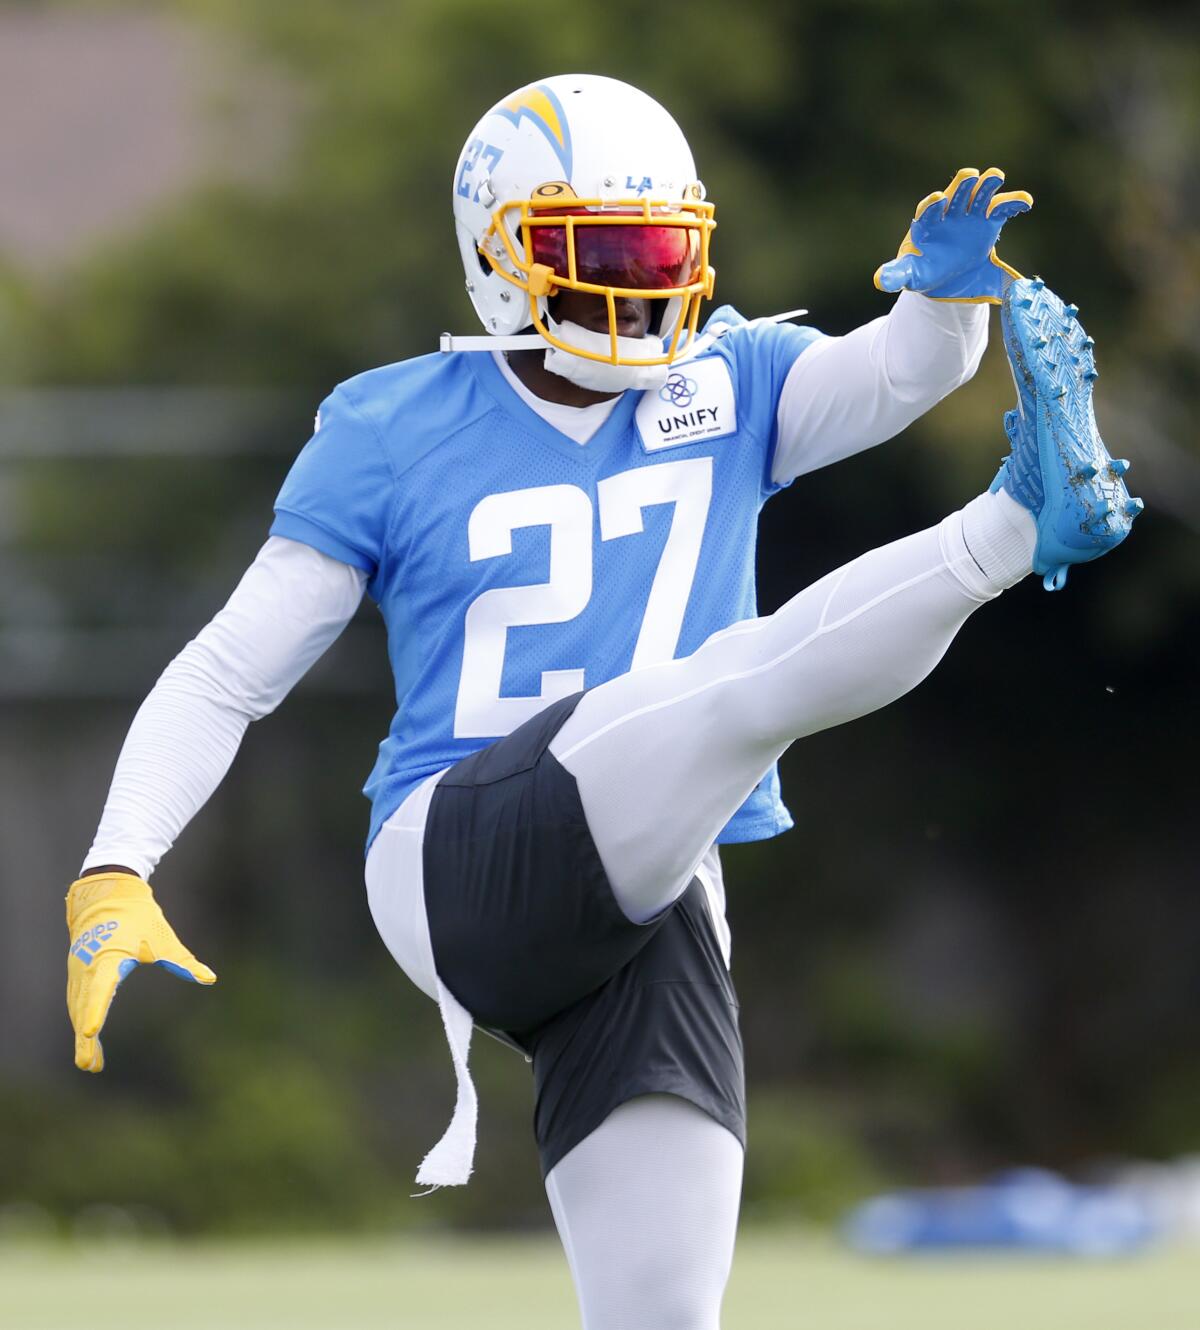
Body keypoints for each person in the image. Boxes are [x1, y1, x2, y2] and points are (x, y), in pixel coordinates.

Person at [65, 75, 1139, 1329]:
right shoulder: (392, 425)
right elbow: (225, 673)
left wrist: (950, 301)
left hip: (647, 880)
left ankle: (1019, 520)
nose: (639, 287)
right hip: (452, 856)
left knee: (665, 1311)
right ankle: (1016, 524)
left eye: (662, 250)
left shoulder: (731, 378)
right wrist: (114, 864)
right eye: (603, 251)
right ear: (500, 254)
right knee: (727, 691)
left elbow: (891, 376)